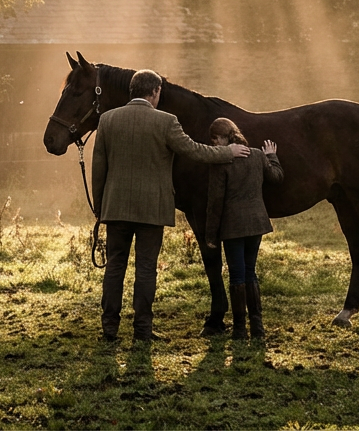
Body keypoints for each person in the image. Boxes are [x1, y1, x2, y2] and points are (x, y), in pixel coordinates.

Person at [91, 69, 251, 342]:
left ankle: (109, 330)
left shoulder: (106, 120)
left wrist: (99, 208)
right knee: (145, 268)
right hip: (152, 209)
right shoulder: (166, 122)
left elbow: (98, 169)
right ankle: (142, 330)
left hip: (115, 208)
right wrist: (228, 152)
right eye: (158, 94)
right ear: (154, 92)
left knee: (115, 267)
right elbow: (195, 151)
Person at [203, 117, 283, 340]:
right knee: (250, 272)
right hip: (256, 223)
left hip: (233, 227)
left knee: (237, 274)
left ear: (224, 137)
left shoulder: (220, 163)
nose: (214, 145)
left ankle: (240, 329)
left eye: (215, 139)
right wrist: (272, 156)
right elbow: (277, 177)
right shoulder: (257, 155)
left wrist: (210, 235)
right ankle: (257, 327)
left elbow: (215, 202)